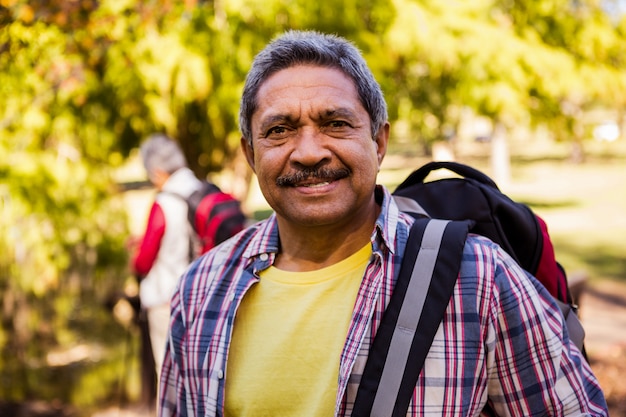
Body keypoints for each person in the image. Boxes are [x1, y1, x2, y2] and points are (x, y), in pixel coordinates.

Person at [158, 30, 608, 416]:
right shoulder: (202, 288)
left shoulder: (479, 280)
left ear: (379, 142)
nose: (309, 151)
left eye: (335, 124)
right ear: (250, 154)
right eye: (280, 130)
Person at [131, 133, 203, 383]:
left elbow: (143, 262)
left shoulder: (163, 202)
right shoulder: (202, 191)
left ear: (159, 171)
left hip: (167, 301)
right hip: (203, 296)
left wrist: (135, 254)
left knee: (169, 377)